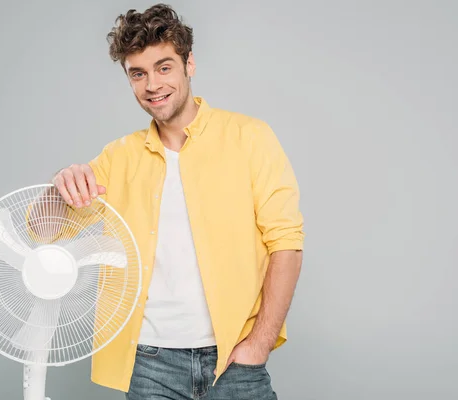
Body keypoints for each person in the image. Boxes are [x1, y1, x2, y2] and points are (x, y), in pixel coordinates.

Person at [48, 4, 304, 399]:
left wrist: (259, 344)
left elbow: (286, 244)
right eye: (138, 73)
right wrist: (59, 186)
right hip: (150, 366)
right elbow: (43, 229)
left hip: (235, 361)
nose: (152, 85)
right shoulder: (119, 158)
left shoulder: (249, 137)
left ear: (189, 64)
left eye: (164, 67)